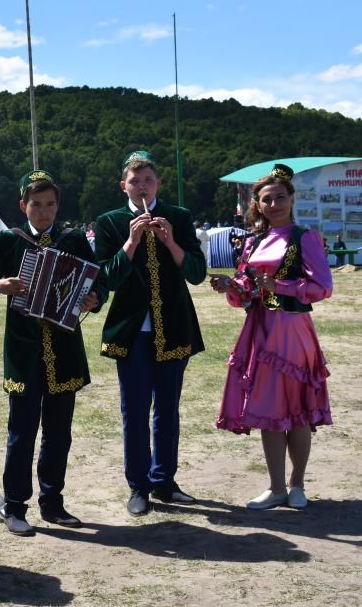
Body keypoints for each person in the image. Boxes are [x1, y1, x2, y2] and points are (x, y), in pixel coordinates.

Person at [0, 170, 106, 533]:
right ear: (23, 206)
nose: (43, 212)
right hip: (24, 352)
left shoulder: (73, 240)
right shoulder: (11, 242)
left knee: (60, 431)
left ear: (58, 205)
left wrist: (94, 298)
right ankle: (15, 505)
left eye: (49, 204)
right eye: (36, 205)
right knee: (22, 430)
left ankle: (52, 501)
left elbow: (98, 281)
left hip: (64, 351)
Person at [210, 164, 333, 509]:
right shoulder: (253, 243)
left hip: (292, 332)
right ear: (258, 205)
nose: (274, 204)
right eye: (267, 199)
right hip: (260, 331)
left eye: (280, 197)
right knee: (268, 410)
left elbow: (323, 287)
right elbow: (245, 294)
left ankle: (297, 485)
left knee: (298, 411)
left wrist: (278, 285)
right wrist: (230, 287)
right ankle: (276, 487)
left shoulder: (304, 238)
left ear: (292, 199)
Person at [94, 151, 206, 516]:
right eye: (134, 181)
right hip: (131, 332)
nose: (141, 187)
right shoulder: (110, 221)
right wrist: (131, 242)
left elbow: (196, 273)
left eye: (148, 180)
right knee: (135, 410)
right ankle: (138, 486)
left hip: (173, 327)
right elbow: (105, 278)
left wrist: (171, 242)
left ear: (157, 183)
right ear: (123, 186)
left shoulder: (180, 216)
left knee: (167, 411)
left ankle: (164, 482)